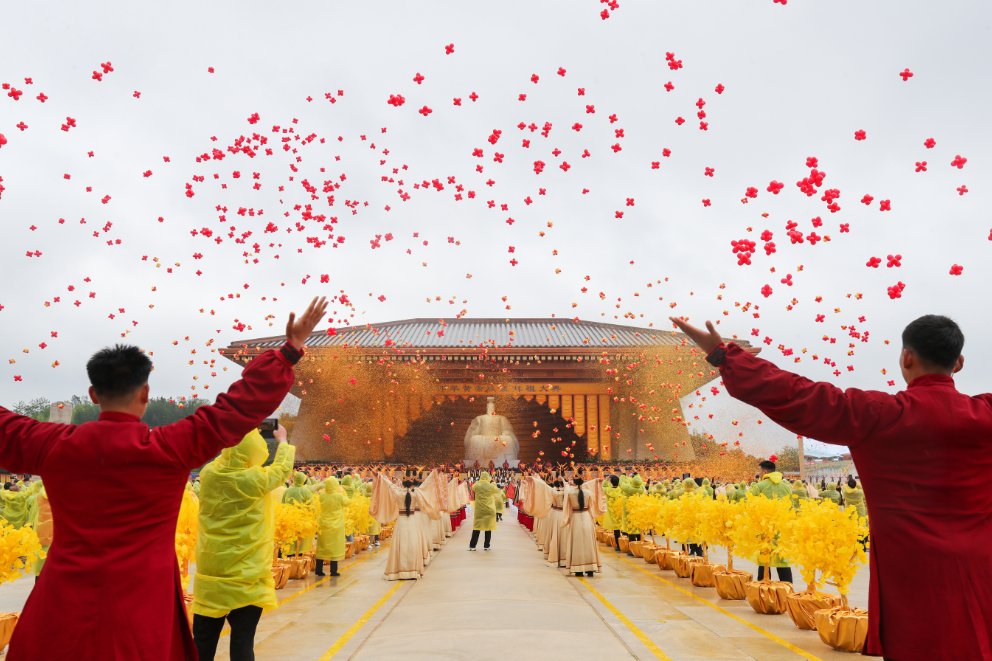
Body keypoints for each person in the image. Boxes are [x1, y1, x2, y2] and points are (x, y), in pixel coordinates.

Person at [0, 296, 327, 661]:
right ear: (145, 393)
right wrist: (288, 351)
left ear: (93, 394)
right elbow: (235, 409)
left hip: (62, 601)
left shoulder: (53, 446)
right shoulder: (168, 448)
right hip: (142, 608)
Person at [671, 313, 992, 660]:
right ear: (958, 363)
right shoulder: (985, 414)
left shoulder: (879, 414)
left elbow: (798, 395)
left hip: (913, 573)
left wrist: (723, 355)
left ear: (906, 357)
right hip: (982, 566)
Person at [193, 426, 294, 661]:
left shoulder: (209, 474)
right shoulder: (255, 478)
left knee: (202, 644)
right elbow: (281, 470)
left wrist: (233, 435)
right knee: (242, 644)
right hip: (247, 577)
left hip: (212, 577)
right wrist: (283, 441)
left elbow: (225, 459)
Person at [747, 460, 793, 582]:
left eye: (759, 471)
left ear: (765, 471)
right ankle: (788, 590)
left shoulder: (759, 486)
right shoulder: (786, 486)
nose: (759, 473)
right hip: (781, 528)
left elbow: (752, 507)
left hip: (764, 528)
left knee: (764, 558)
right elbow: (791, 507)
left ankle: (763, 591)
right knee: (782, 560)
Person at [561, 477, 605, 576]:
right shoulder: (588, 492)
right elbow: (591, 507)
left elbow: (567, 507)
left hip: (575, 518)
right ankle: (590, 569)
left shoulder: (571, 493)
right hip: (586, 517)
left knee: (576, 543)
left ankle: (578, 569)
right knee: (589, 542)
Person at [315, 477, 350, 577]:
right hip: (336, 526)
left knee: (322, 547)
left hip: (323, 524)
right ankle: (333, 571)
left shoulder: (322, 495)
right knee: (334, 548)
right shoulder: (339, 496)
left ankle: (319, 570)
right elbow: (347, 502)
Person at [469, 471, 501, 551]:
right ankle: (487, 546)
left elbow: (473, 487)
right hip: (489, 510)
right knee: (488, 527)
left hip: (479, 510)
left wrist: (478, 481)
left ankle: (472, 546)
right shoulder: (491, 486)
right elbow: (496, 490)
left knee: (477, 527)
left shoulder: (477, 485)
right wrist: (493, 482)